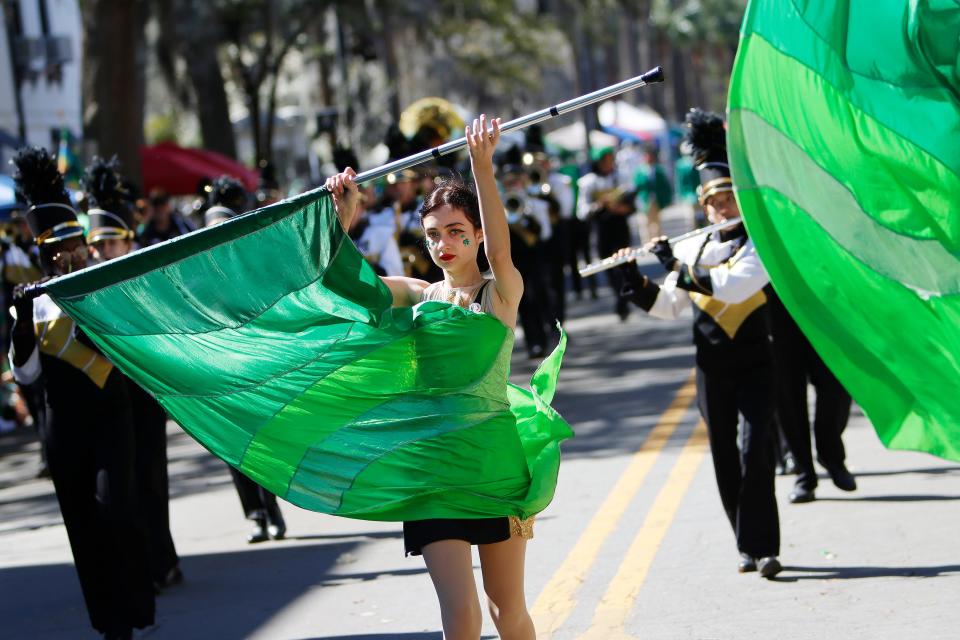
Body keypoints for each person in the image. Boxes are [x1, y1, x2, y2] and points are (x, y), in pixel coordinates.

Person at [326, 114, 535, 639]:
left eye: (457, 233)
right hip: (432, 473)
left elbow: (503, 252)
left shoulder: (499, 293)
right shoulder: (419, 295)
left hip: (493, 467)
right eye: (434, 233)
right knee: (459, 617)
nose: (444, 244)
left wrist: (482, 168)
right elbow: (353, 289)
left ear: (477, 235)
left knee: (504, 611)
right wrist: (340, 222)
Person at [615, 109, 782, 578]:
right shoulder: (694, 249)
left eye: (729, 200)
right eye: (714, 204)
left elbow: (731, 288)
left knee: (756, 451)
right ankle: (744, 544)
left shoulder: (758, 244)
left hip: (756, 362)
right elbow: (670, 305)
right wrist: (634, 277)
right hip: (712, 366)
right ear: (704, 208)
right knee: (724, 454)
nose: (722, 211)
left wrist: (677, 267)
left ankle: (765, 546)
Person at [10, 147, 155, 638]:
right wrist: (22, 320)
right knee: (84, 529)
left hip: (112, 416)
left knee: (118, 510)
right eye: (59, 250)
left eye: (76, 244)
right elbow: (27, 376)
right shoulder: (31, 304)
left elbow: (129, 348)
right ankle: (110, 623)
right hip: (63, 427)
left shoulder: (105, 289)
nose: (71, 255)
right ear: (45, 254)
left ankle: (136, 605)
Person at [83, 157, 184, 591]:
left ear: (127, 241)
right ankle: (138, 563)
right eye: (97, 244)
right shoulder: (83, 280)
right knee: (119, 486)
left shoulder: (141, 275)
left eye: (110, 243)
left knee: (149, 476)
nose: (102, 252)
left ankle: (162, 559)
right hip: (104, 392)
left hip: (141, 388)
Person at [202, 175, 288, 543]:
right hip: (218, 369)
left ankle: (271, 506)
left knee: (259, 439)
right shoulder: (199, 273)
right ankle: (254, 513)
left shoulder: (251, 268)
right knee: (230, 442)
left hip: (252, 365)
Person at [769, 293, 856, 503]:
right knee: (788, 396)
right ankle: (804, 475)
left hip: (820, 301)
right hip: (776, 307)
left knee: (836, 387)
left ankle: (830, 453)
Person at [578, 147, 636, 321]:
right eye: (605, 160)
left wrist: (623, 208)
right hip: (602, 230)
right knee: (610, 267)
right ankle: (620, 297)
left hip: (620, 227)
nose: (609, 164)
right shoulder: (589, 182)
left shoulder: (621, 178)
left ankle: (624, 298)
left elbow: (633, 204)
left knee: (624, 265)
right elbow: (582, 211)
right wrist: (600, 204)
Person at [634, 144, 673, 241]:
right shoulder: (640, 171)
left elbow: (665, 186)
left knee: (656, 223)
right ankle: (647, 243)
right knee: (645, 223)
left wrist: (666, 199)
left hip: (656, 200)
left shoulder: (658, 170)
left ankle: (657, 242)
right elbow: (636, 187)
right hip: (645, 200)